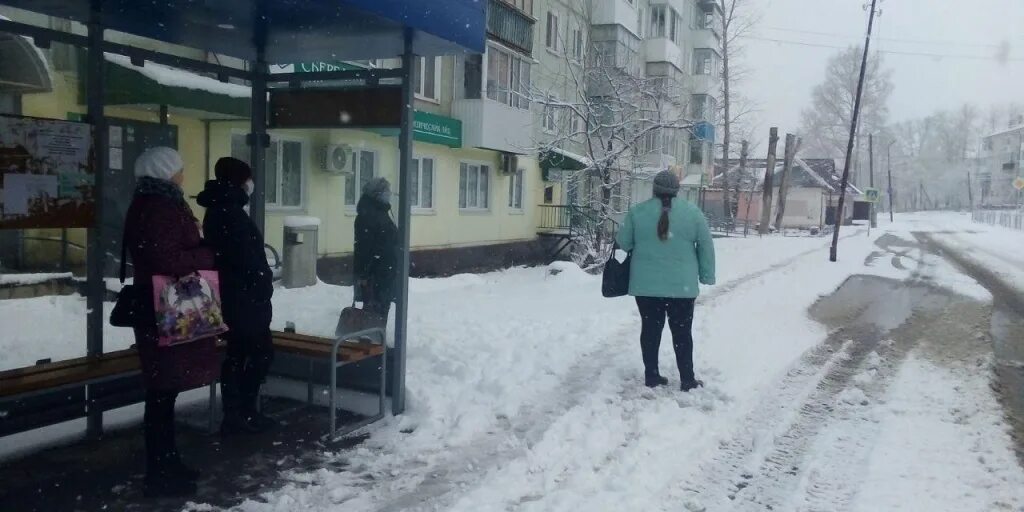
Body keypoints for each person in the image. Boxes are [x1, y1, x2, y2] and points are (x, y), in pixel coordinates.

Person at [123, 147, 217, 497]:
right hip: (162, 306)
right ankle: (160, 470)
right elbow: (165, 256)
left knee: (165, 390)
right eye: (179, 169)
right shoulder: (160, 207)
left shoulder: (154, 202)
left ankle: (167, 462)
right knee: (162, 391)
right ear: (166, 172)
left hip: (161, 304)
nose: (183, 174)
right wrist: (205, 255)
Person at [616, 170, 716, 391]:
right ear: (677, 190)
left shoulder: (637, 213)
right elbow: (706, 246)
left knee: (650, 330)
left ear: (654, 189)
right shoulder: (693, 214)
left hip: (646, 287)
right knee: (682, 333)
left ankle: (652, 375)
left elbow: (623, 243)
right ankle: (687, 379)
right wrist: (707, 275)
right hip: (682, 287)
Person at [197, 157, 276, 435]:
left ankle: (239, 413)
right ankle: (241, 412)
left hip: (232, 295)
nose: (251, 184)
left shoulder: (220, 208)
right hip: (242, 298)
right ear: (239, 182)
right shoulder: (230, 212)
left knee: (239, 353)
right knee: (256, 353)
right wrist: (262, 283)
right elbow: (245, 258)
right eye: (247, 179)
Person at [353, 177, 398, 318]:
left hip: (383, 270)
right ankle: (371, 336)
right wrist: (364, 274)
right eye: (386, 191)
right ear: (377, 194)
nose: (389, 194)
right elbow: (364, 247)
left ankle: (374, 334)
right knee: (375, 309)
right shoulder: (369, 215)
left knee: (379, 307)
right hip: (376, 272)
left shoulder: (379, 211)